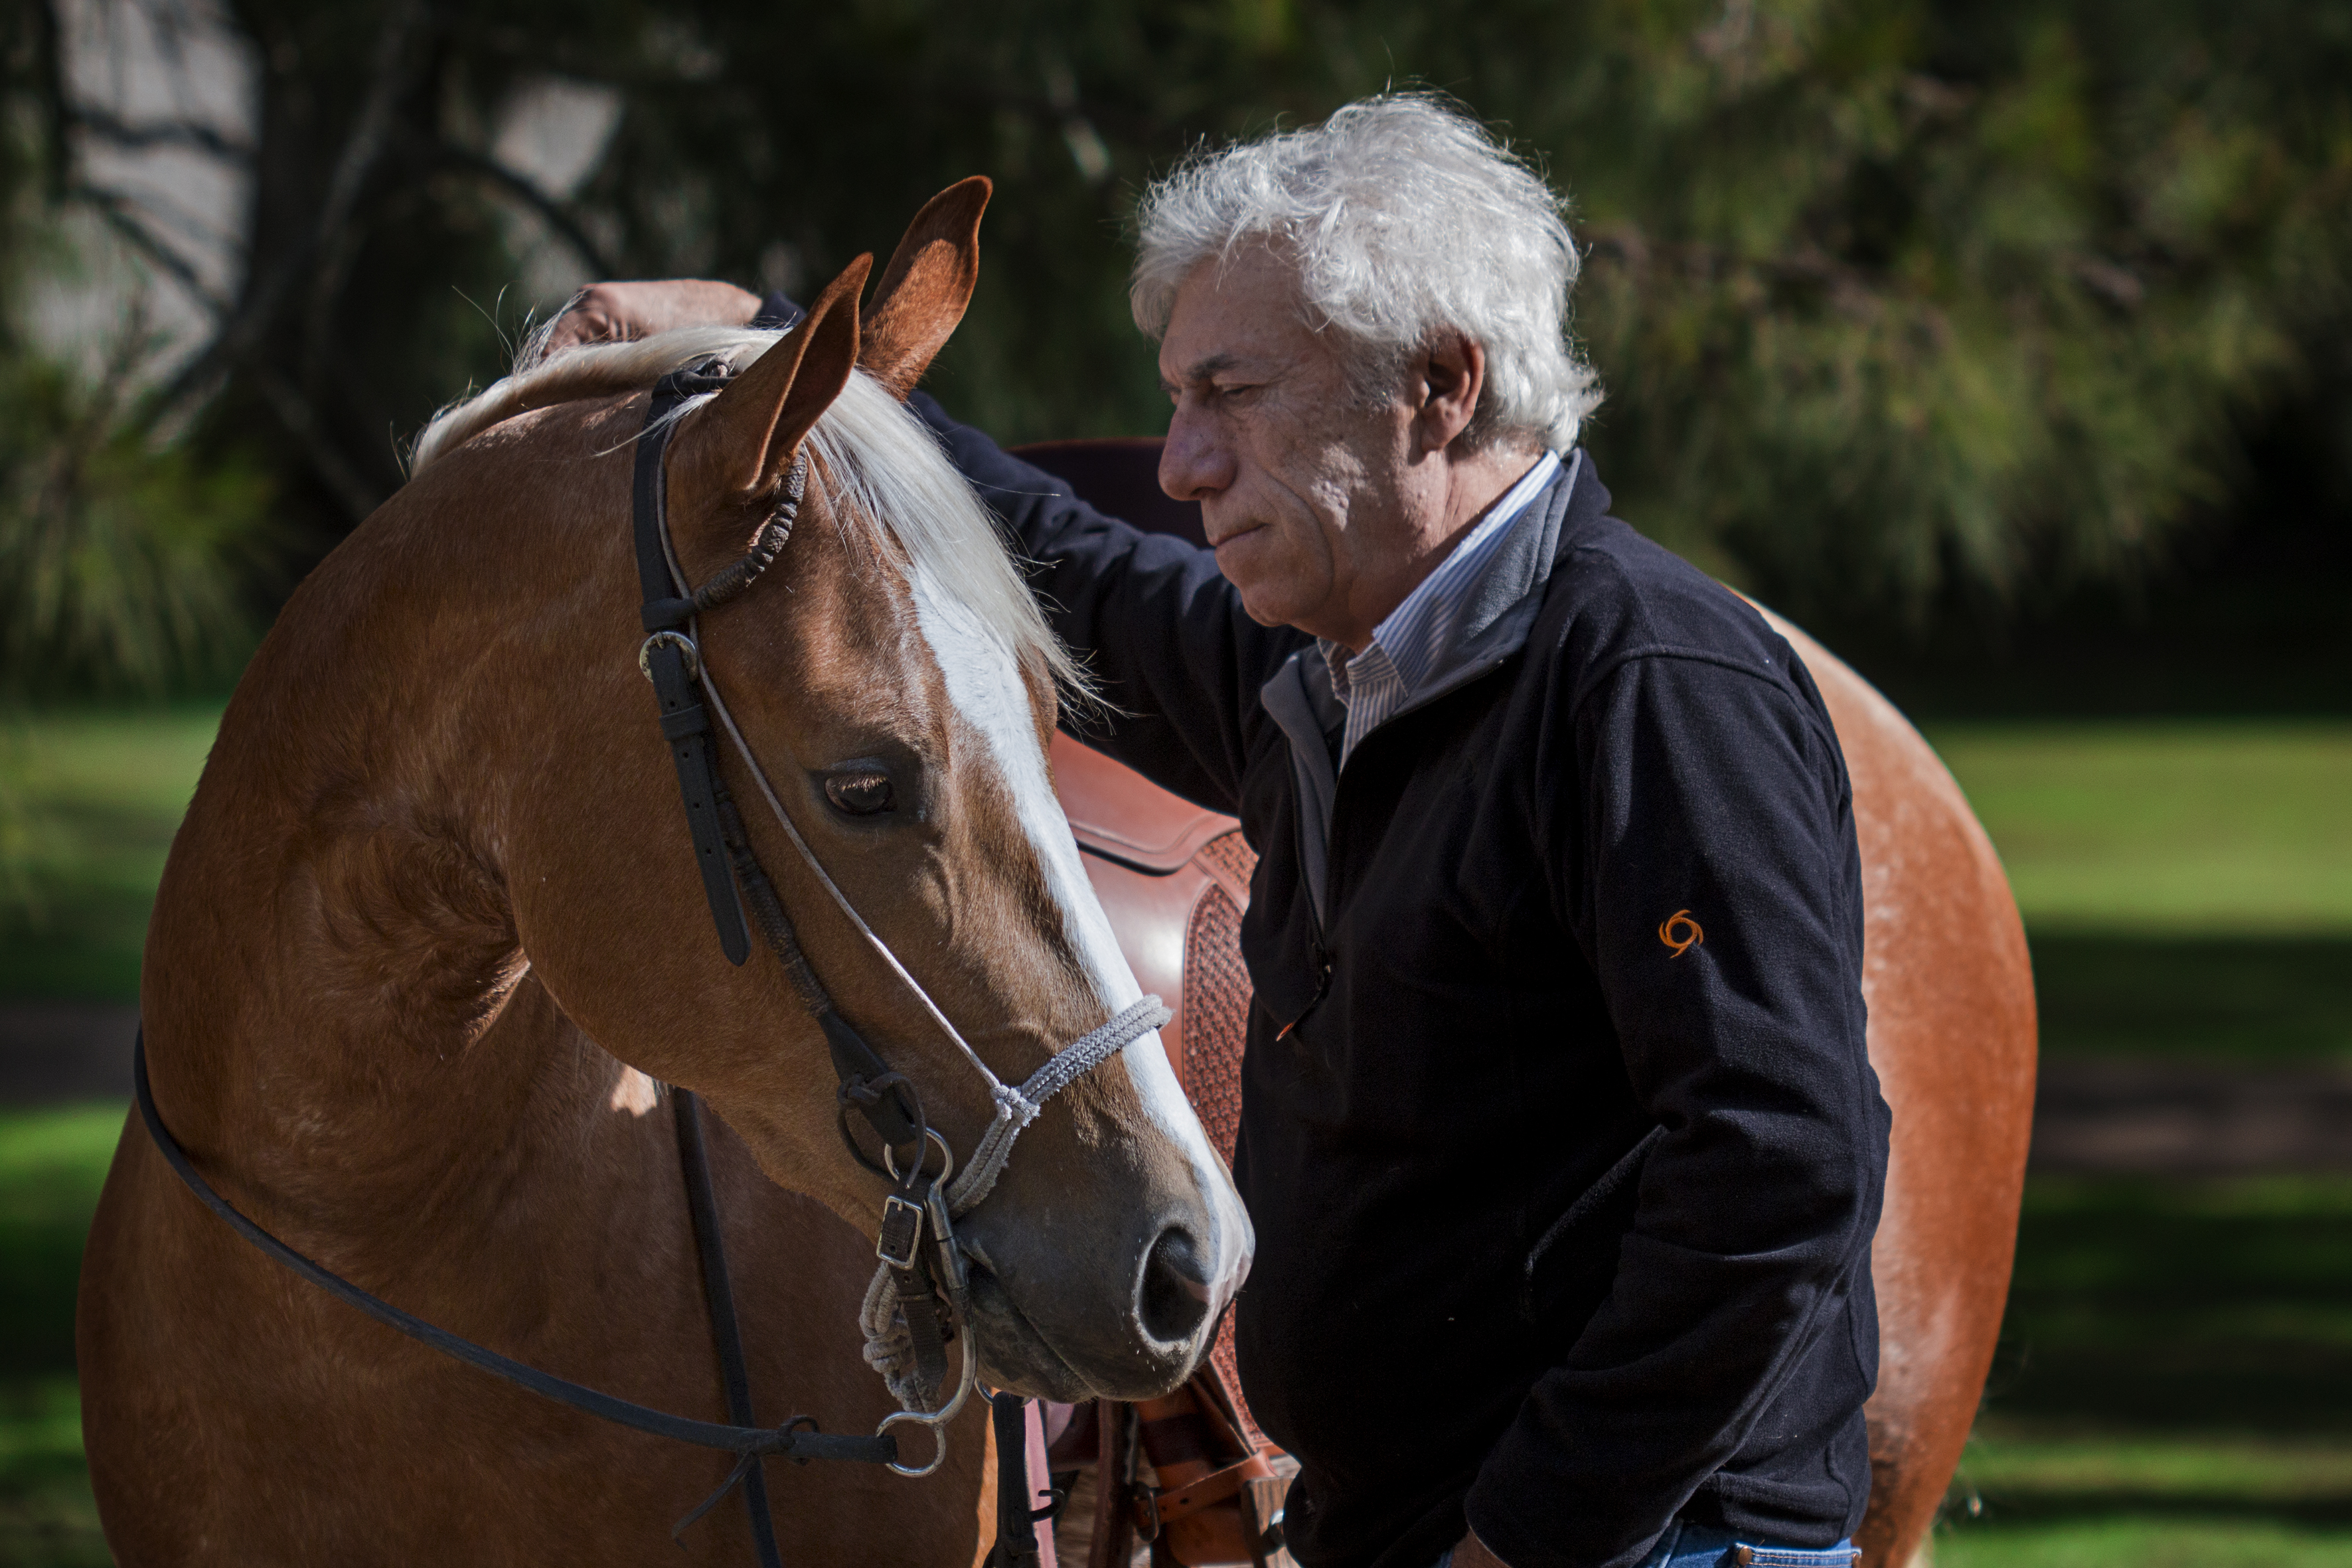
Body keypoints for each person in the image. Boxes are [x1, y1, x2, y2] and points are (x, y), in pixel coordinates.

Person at [552, 94, 1889, 1568]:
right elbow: (1069, 565)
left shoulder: (1648, 687)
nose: (1181, 462)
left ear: (1438, 385)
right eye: (1179, 401)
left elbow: (1777, 1171)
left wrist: (1523, 1536)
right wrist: (767, 334)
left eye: (1229, 395)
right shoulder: (1332, 667)